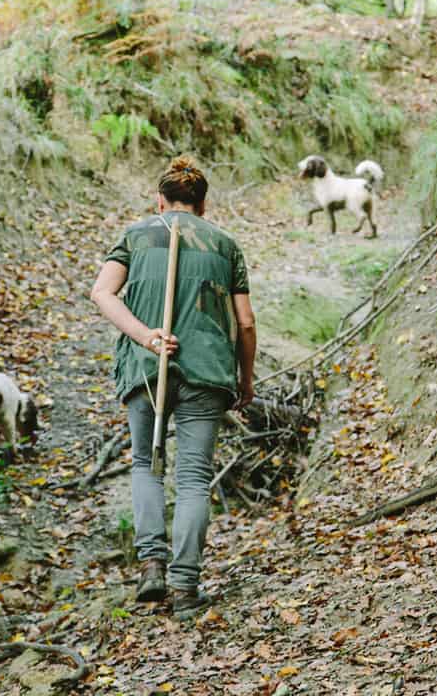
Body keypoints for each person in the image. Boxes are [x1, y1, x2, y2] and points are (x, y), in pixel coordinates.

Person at [91, 157, 257, 618]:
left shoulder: (135, 236)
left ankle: (151, 567)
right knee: (193, 478)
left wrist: (145, 336)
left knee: (146, 466)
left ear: (159, 201)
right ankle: (185, 587)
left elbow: (101, 293)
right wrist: (245, 379)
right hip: (207, 370)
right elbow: (245, 322)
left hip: (146, 368)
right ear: (203, 205)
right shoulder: (225, 245)